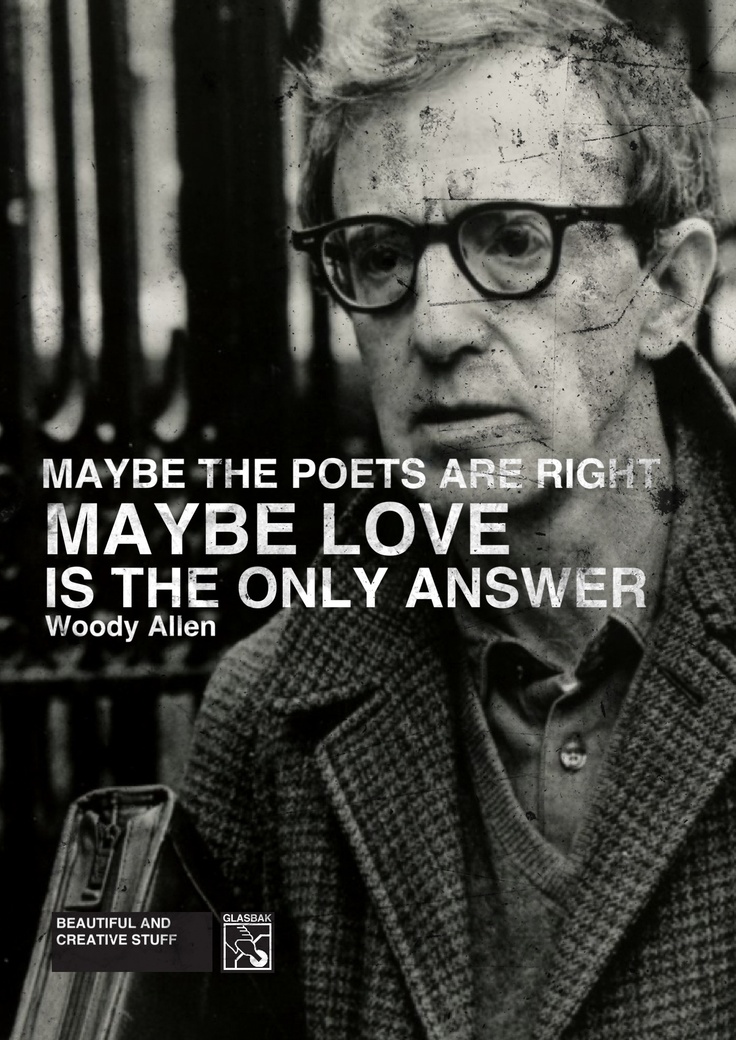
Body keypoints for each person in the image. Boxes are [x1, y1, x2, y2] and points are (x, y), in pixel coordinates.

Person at [183, 1, 736, 1037]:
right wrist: (107, 943)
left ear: (668, 289)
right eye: (378, 254)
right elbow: (209, 970)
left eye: (513, 240)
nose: (433, 326)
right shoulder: (271, 710)